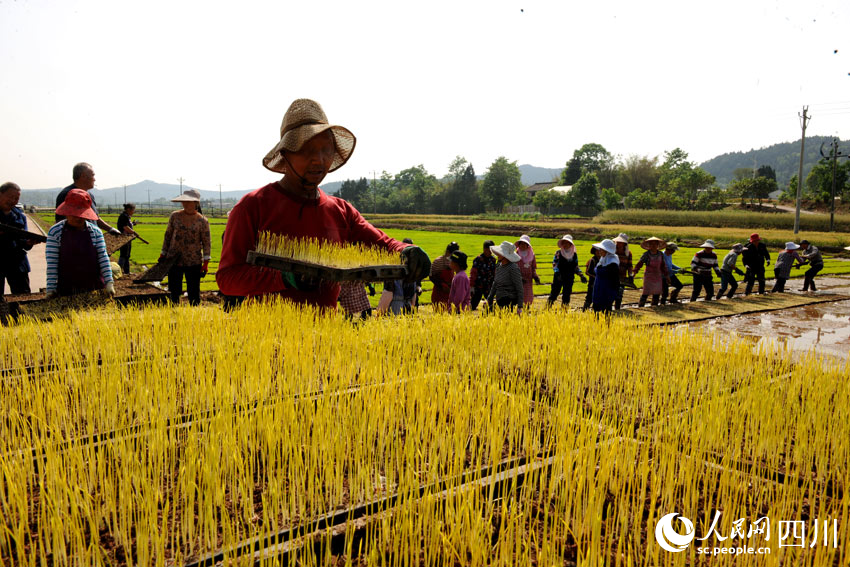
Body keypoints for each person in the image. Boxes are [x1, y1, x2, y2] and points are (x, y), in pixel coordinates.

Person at [217, 99, 429, 306]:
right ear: (285, 154)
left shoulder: (341, 211)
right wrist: (284, 277)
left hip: (325, 335)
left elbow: (382, 245)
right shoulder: (253, 207)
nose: (319, 159)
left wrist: (407, 251)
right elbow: (228, 278)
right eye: (307, 150)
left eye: (326, 149)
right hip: (269, 336)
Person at [45, 189, 114, 298]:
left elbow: (103, 257)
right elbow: (52, 263)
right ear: (66, 212)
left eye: (81, 214)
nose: (78, 218)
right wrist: (51, 288)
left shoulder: (95, 232)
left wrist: (109, 282)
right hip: (67, 288)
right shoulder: (55, 232)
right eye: (74, 214)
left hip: (94, 287)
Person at [160, 189, 211, 306]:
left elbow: (206, 242)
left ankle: (194, 313)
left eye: (188, 202)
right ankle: (173, 311)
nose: (185, 204)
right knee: (174, 289)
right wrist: (163, 253)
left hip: (193, 260)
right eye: (184, 201)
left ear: (195, 203)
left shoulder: (202, 221)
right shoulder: (175, 216)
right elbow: (168, 236)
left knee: (193, 290)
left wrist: (206, 262)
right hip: (174, 258)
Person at [54, 163, 121, 235]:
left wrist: (110, 229)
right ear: (83, 176)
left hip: (91, 240)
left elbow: (94, 218)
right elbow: (60, 221)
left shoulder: (89, 195)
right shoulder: (67, 195)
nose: (94, 179)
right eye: (92, 175)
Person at [0, 182, 35, 294]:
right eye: (10, 197)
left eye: (16, 198)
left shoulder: (20, 216)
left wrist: (29, 243)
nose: (13, 201)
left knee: (23, 297)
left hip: (17, 262)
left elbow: (23, 242)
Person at [547, 235, 587, 308]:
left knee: (566, 295)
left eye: (567, 243)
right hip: (559, 277)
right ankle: (547, 309)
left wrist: (581, 275)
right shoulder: (558, 253)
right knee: (554, 293)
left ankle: (564, 311)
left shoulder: (574, 255)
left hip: (569, 277)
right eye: (564, 243)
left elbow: (575, 266)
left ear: (571, 244)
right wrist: (557, 273)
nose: (565, 244)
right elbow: (554, 264)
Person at [487, 241, 524, 313]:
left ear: (505, 255)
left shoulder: (513, 268)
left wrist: (520, 306)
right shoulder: (499, 266)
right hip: (500, 299)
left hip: (509, 301)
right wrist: (490, 298)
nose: (497, 255)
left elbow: (519, 287)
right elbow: (495, 283)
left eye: (500, 253)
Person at [632, 236, 669, 307]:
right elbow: (640, 264)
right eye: (651, 244)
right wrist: (635, 272)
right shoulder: (646, 254)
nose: (653, 246)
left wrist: (667, 276)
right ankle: (641, 307)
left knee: (657, 293)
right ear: (649, 245)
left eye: (655, 244)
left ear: (658, 245)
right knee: (645, 292)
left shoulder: (660, 254)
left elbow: (663, 266)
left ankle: (654, 307)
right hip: (649, 276)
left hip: (658, 276)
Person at [591, 239, 620, 313]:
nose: (599, 251)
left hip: (606, 292)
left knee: (606, 311)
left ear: (607, 251)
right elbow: (597, 270)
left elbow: (601, 272)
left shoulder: (613, 263)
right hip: (599, 289)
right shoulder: (603, 259)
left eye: (602, 250)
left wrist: (598, 270)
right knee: (596, 311)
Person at [429, 242, 459, 312]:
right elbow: (431, 277)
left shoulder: (455, 262)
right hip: (439, 292)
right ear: (447, 252)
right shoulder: (438, 261)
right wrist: (442, 285)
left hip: (450, 292)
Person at [469, 240, 496, 311]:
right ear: (484, 249)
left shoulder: (493, 260)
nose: (490, 252)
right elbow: (473, 273)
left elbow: (494, 272)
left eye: (492, 250)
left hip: (489, 285)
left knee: (490, 303)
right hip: (478, 285)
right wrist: (471, 285)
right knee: (474, 302)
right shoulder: (478, 259)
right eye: (489, 250)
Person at [515, 234, 540, 308]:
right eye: (521, 244)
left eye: (524, 244)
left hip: (528, 279)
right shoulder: (516, 254)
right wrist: (519, 277)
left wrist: (535, 276)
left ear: (527, 245)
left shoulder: (531, 255)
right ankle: (517, 309)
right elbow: (513, 267)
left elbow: (533, 267)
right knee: (518, 294)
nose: (522, 245)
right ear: (519, 245)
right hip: (518, 278)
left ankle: (526, 309)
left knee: (528, 295)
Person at [613, 233, 633, 310]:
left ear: (624, 244)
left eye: (621, 242)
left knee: (620, 294)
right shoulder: (612, 251)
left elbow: (629, 265)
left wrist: (630, 275)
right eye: (618, 242)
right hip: (612, 276)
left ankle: (617, 309)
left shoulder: (628, 253)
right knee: (611, 292)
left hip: (622, 277)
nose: (618, 243)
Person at [116, 203, 137, 275]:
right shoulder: (124, 216)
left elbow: (128, 225)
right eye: (133, 210)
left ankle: (126, 271)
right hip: (124, 238)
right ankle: (117, 271)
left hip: (128, 238)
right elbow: (125, 227)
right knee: (123, 255)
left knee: (127, 255)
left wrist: (133, 224)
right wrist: (134, 232)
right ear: (128, 209)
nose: (133, 212)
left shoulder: (127, 216)